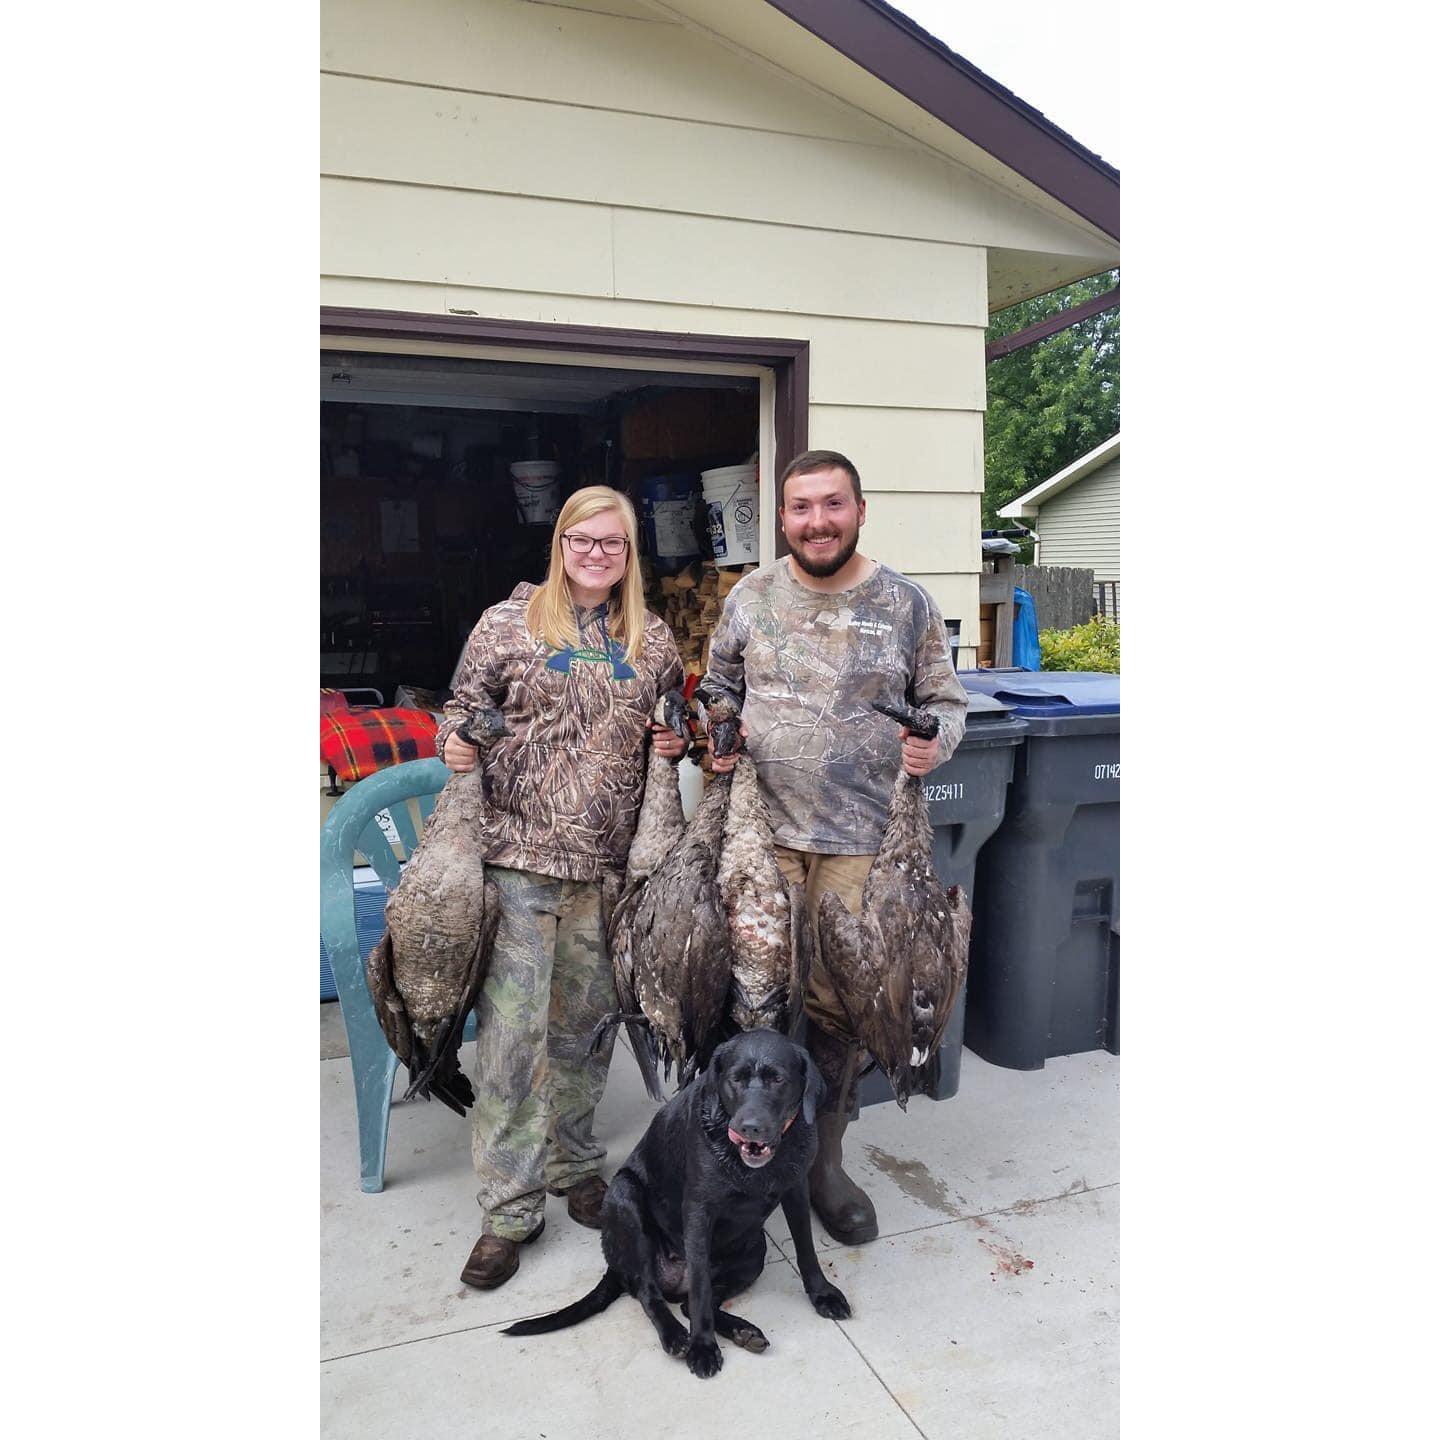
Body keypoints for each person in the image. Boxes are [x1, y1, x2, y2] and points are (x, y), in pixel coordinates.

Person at [702, 449, 968, 1245]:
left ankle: (822, 1163)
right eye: (801, 507)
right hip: (762, 838)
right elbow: (717, 686)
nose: (817, 521)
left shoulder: (907, 604)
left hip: (864, 845)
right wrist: (716, 729)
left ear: (859, 509)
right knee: (749, 1003)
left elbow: (947, 705)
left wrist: (935, 745)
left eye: (832, 505)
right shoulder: (748, 598)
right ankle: (728, 1163)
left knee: (840, 1015)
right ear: (782, 518)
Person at [436, 484, 686, 1290]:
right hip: (517, 864)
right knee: (512, 1045)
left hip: (607, 872)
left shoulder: (651, 638)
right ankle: (509, 1209)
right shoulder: (506, 624)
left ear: (628, 553)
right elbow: (460, 709)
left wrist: (675, 735)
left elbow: (671, 717)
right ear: (560, 542)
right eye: (582, 539)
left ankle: (575, 1167)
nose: (595, 554)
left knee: (586, 1032)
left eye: (611, 543)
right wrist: (457, 742)